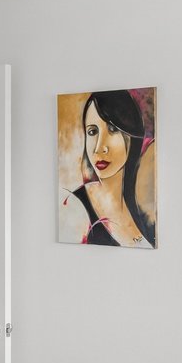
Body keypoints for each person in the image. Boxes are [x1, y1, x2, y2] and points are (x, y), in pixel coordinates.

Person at [61, 89, 156, 247]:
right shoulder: (75, 206)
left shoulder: (144, 208)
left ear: (131, 135)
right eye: (92, 131)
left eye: (113, 129)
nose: (99, 148)